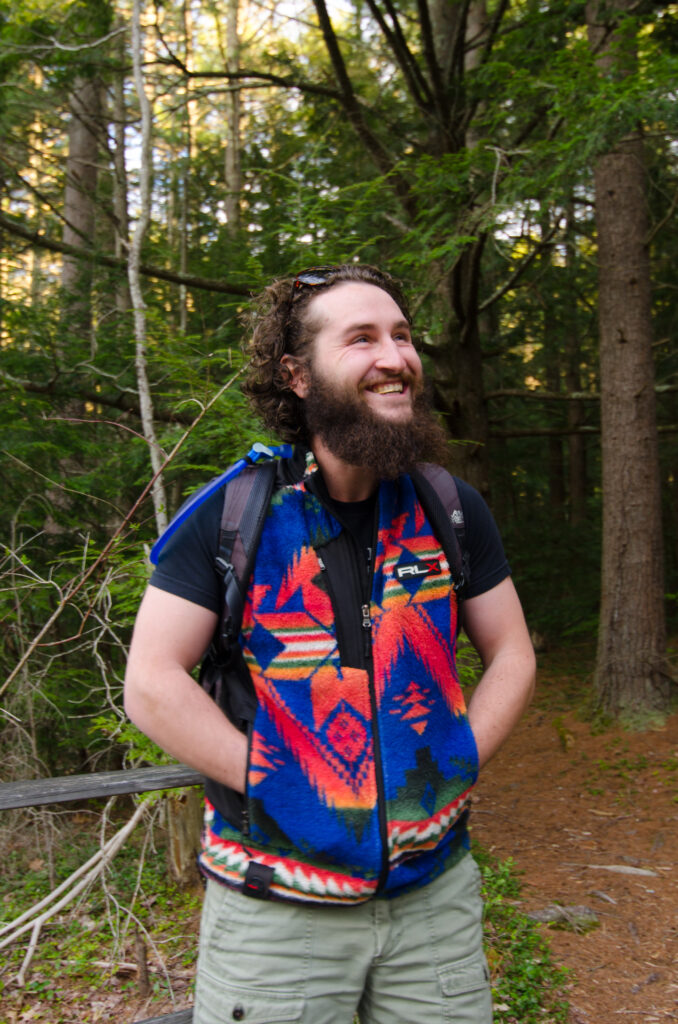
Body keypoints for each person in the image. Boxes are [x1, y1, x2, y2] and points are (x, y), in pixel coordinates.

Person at [124, 263, 536, 1024]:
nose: (395, 356)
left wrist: (455, 760)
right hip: (278, 914)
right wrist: (274, 779)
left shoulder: (447, 504)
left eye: (403, 336)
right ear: (298, 374)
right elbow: (151, 679)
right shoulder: (235, 513)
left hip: (433, 904)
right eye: (362, 339)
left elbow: (511, 651)